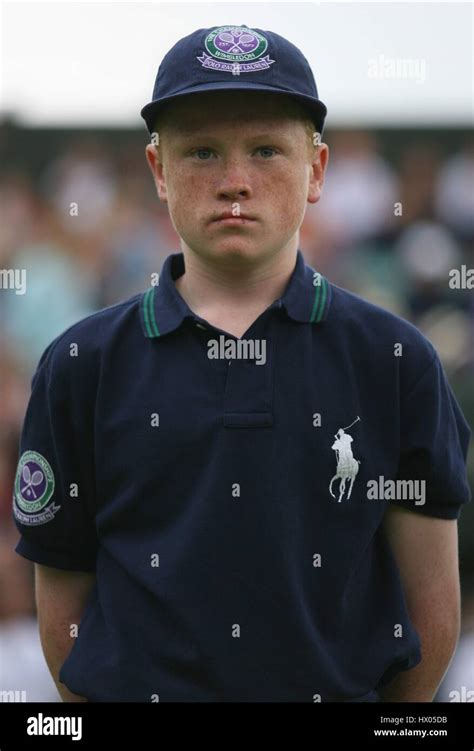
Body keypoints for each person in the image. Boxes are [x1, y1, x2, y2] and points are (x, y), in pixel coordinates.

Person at [12, 24, 471, 703]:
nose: (234, 181)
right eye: (201, 152)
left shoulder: (395, 359)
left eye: (265, 150)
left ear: (316, 171)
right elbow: (64, 614)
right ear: (157, 171)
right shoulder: (81, 364)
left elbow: (431, 610)